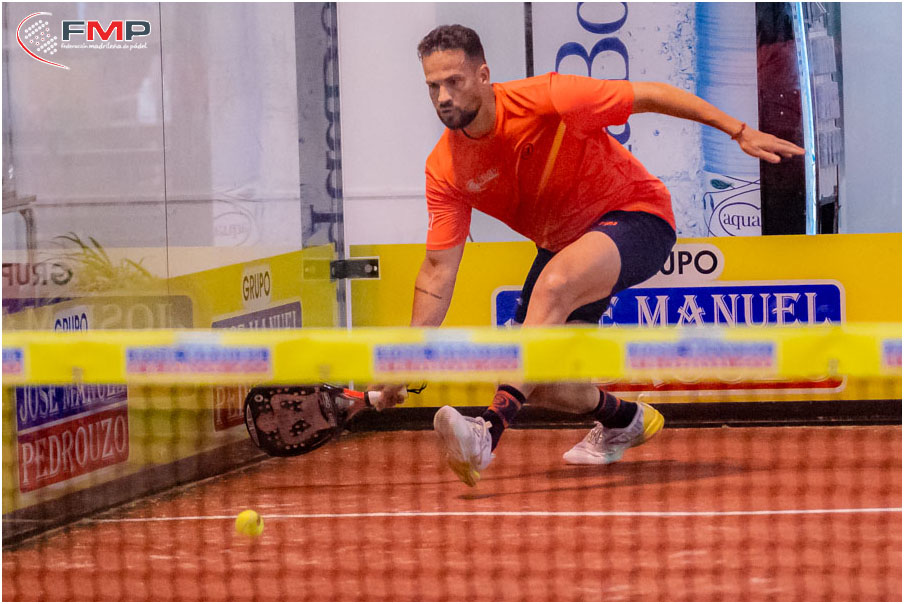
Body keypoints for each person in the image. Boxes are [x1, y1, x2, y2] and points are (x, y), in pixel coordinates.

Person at [373, 25, 804, 487]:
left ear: (483, 75)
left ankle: (487, 433)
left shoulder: (547, 97)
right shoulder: (445, 169)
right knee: (541, 381)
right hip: (564, 244)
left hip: (637, 216)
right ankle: (623, 419)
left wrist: (739, 131)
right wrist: (404, 363)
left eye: (454, 81)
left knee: (554, 285)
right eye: (433, 86)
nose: (443, 97)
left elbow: (650, 95)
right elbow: (437, 273)